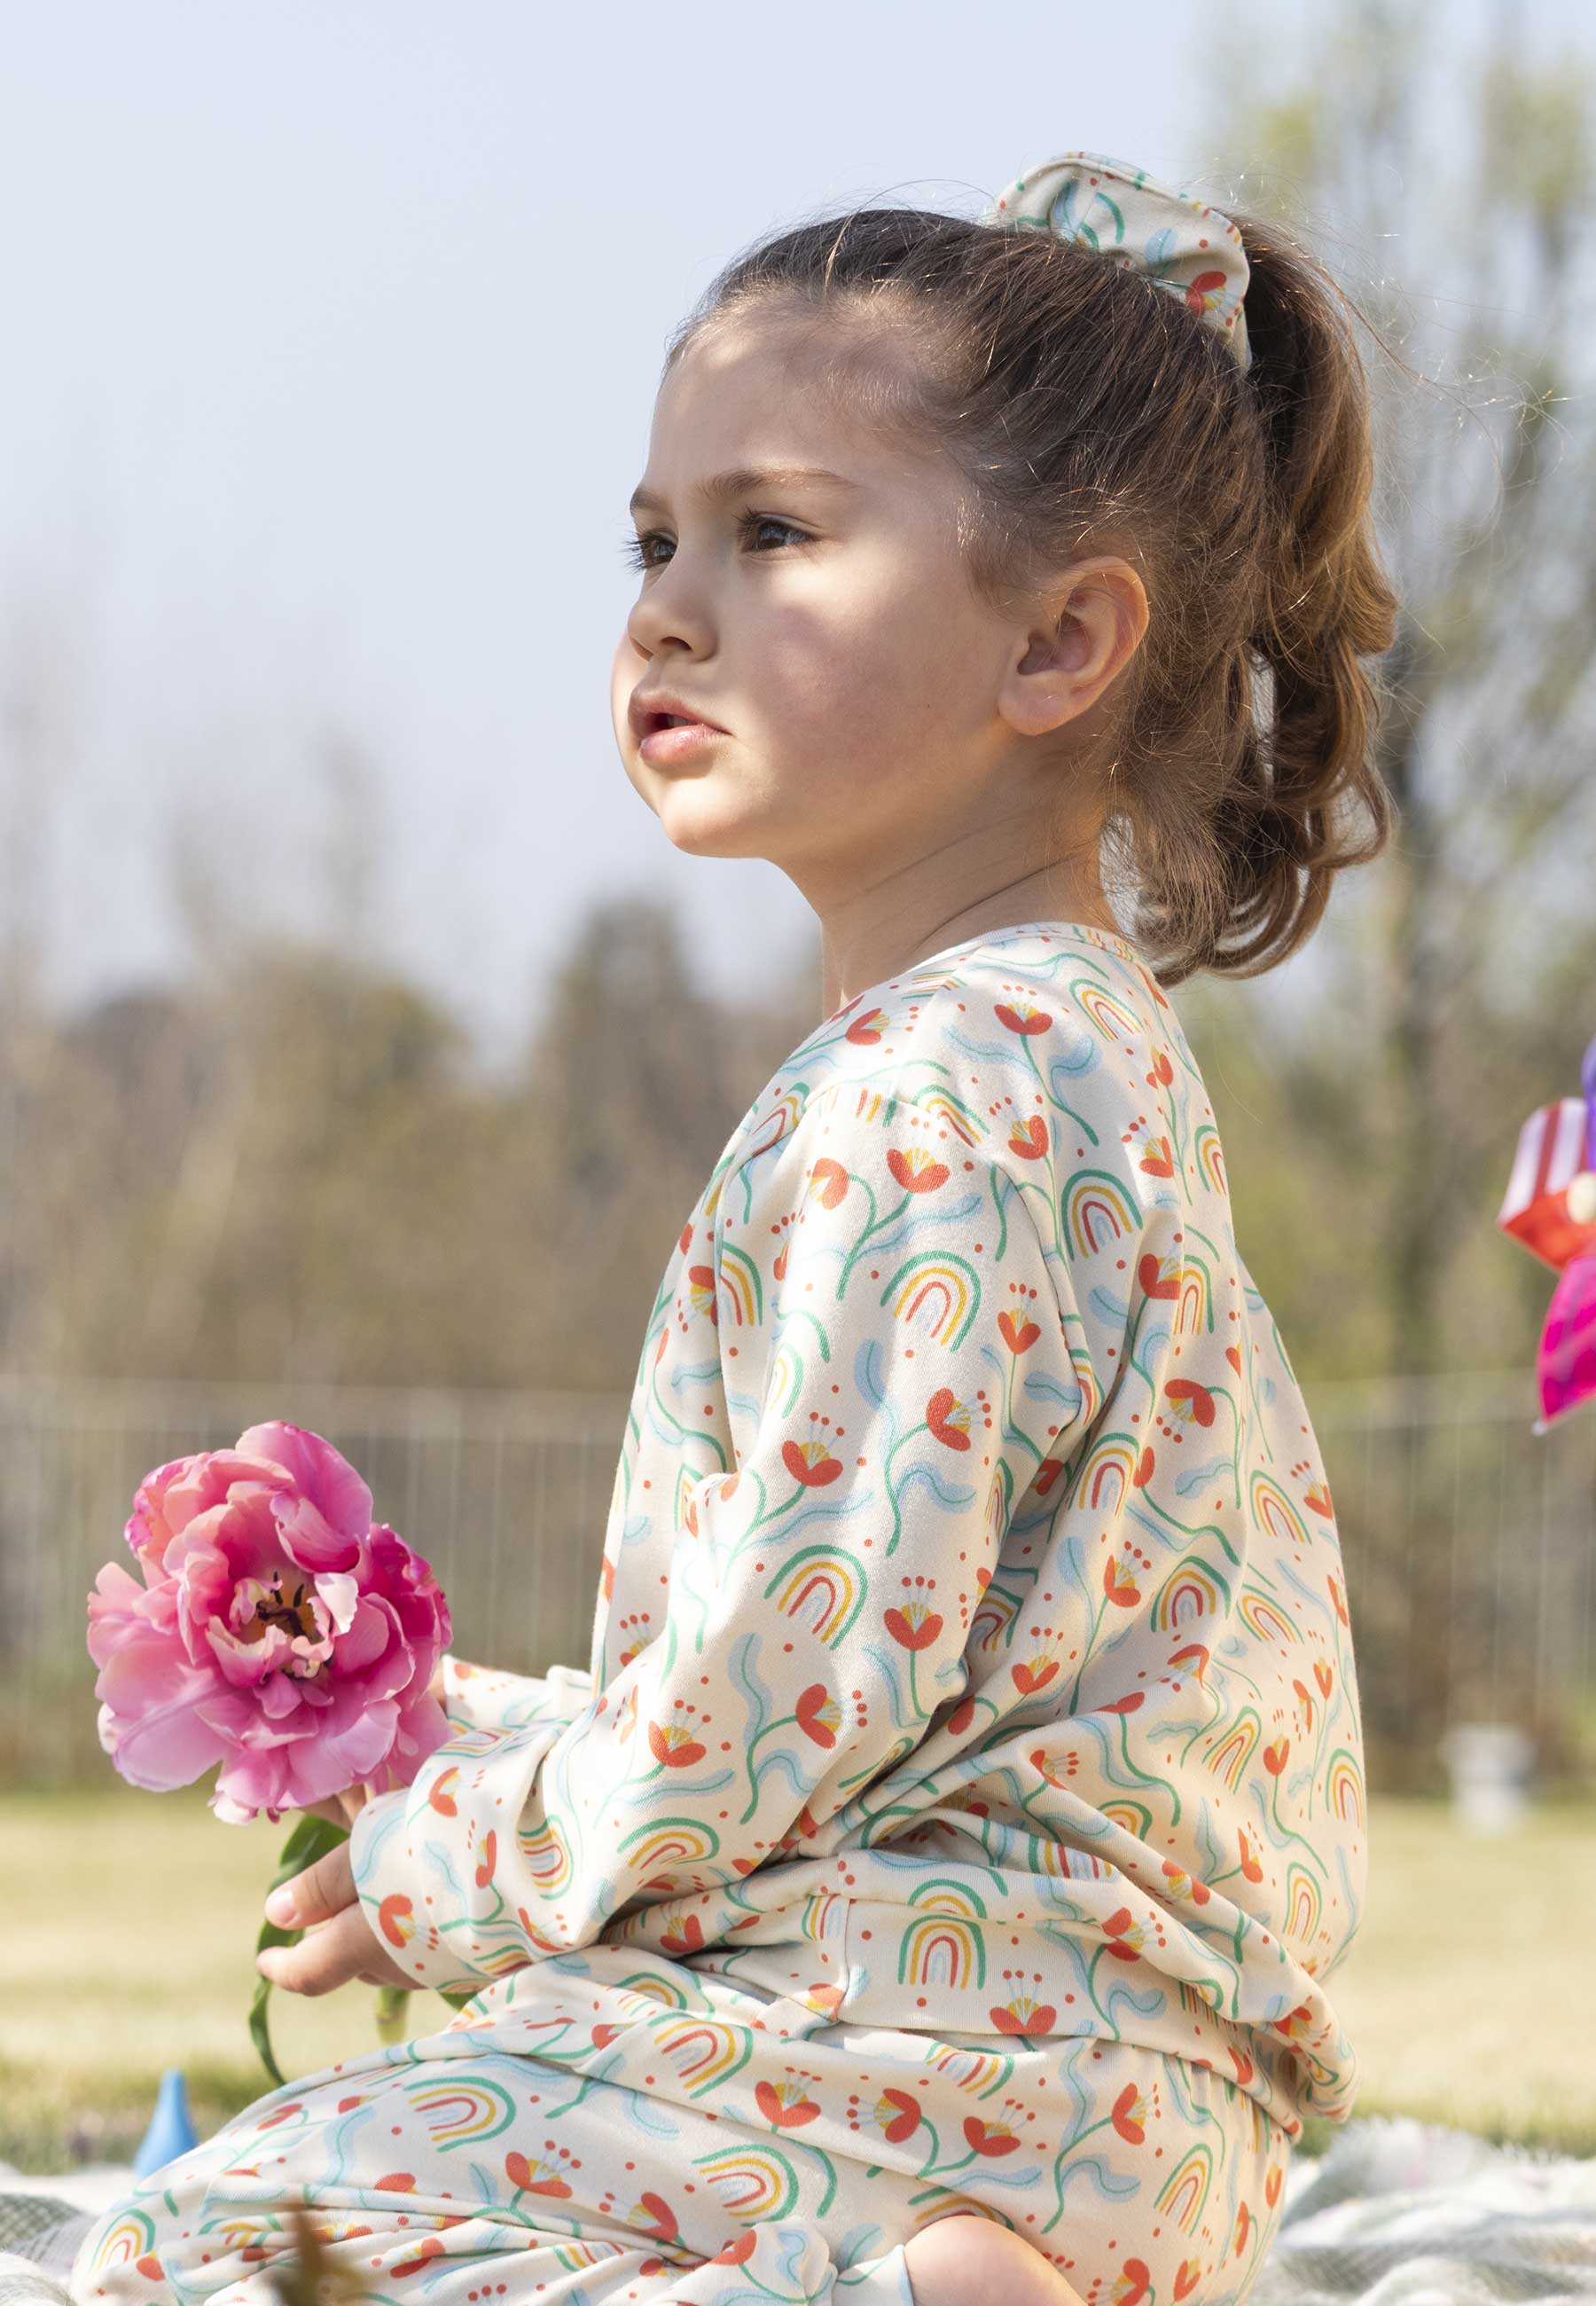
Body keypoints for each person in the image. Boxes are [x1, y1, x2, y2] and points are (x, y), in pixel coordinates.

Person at [73, 148, 1396, 2306]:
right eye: (656, 539)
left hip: (913, 2055)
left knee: (202, 2245)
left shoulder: (934, 1086)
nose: (667, 612)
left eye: (775, 532)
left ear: (1061, 639)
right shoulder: (1083, 1051)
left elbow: (788, 1681)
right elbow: (873, 1659)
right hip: (1127, 2110)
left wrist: (451, 1864)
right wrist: (465, 1730)